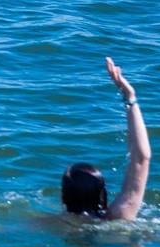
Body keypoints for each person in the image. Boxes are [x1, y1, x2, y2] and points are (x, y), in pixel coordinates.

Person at [61, 57, 151, 221]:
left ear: (63, 197)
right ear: (102, 193)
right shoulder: (120, 214)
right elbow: (141, 158)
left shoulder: (49, 225)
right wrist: (130, 98)